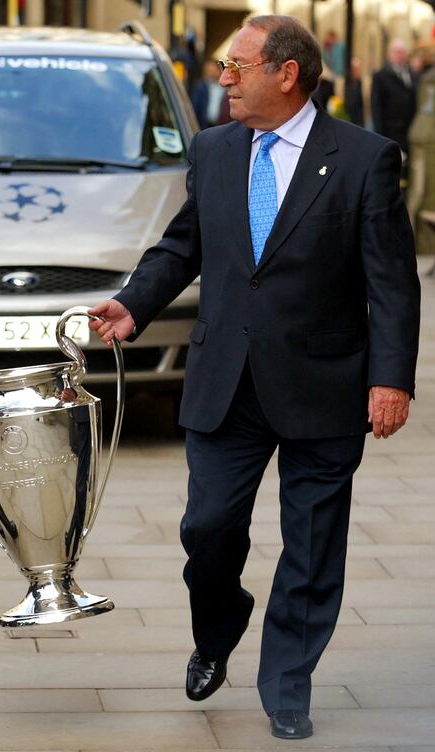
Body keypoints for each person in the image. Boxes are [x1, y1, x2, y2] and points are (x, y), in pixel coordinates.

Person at [89, 15, 419, 741]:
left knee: (311, 545)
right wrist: (132, 305)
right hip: (225, 382)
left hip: (326, 384)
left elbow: (392, 282)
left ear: (286, 73)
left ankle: (287, 682)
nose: (224, 79)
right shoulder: (212, 150)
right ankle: (219, 627)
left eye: (237, 66)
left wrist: (391, 378)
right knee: (206, 529)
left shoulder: (364, 159)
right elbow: (182, 248)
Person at [371, 39, 417, 158]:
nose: (399, 55)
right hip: (389, 130)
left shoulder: (412, 74)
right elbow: (376, 106)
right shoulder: (380, 76)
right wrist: (379, 132)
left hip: (408, 130)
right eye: (396, 52)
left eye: (402, 52)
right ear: (389, 55)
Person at [191, 60, 228, 129]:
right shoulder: (201, 87)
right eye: (208, 71)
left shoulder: (226, 88)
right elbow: (195, 107)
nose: (211, 74)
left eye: (213, 71)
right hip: (204, 124)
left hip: (221, 125)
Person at [344, 57, 365, 126]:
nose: (356, 71)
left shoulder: (363, 83)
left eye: (358, 69)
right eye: (354, 69)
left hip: (360, 118)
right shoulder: (345, 82)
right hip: (347, 117)